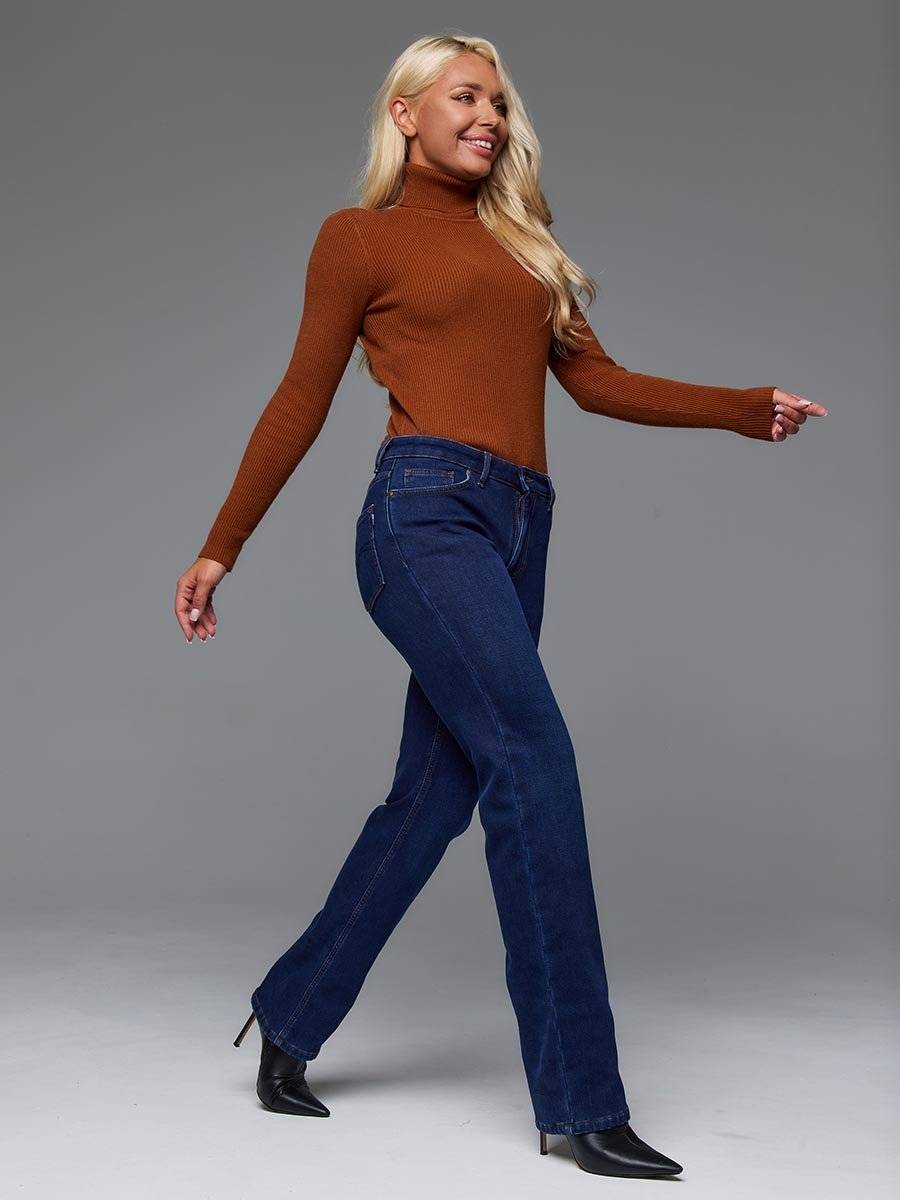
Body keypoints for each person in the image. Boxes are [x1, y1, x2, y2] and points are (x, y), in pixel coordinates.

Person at [174, 33, 826, 1179]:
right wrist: (222, 545)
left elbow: (596, 382)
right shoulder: (359, 238)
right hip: (422, 518)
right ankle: (580, 1104)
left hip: (522, 525)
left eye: (500, 101)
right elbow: (301, 397)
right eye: (465, 95)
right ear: (406, 113)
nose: (489, 115)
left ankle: (291, 1011)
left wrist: (742, 407)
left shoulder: (527, 245)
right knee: (532, 759)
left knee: (434, 797)